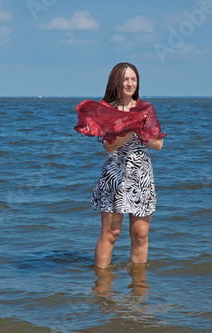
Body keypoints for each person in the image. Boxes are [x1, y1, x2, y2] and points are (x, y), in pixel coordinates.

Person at [86, 62, 165, 268]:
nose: (130, 84)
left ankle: (138, 292)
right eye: (125, 79)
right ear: (116, 82)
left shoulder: (146, 108)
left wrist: (142, 130)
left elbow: (159, 144)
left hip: (141, 174)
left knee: (140, 235)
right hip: (115, 175)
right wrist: (130, 128)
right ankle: (101, 288)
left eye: (133, 79)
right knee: (111, 234)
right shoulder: (107, 109)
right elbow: (108, 146)